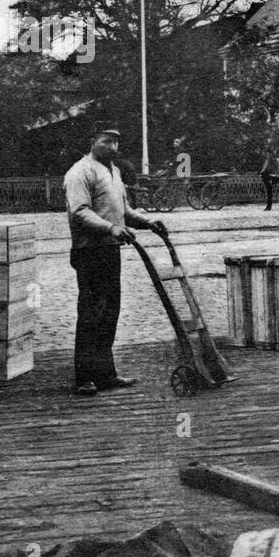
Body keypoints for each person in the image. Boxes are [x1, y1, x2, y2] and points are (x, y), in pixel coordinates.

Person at [63, 122, 166, 397]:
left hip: (110, 249)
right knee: (90, 314)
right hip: (89, 251)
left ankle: (105, 374)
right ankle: (84, 377)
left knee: (110, 313)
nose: (113, 147)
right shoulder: (80, 172)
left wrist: (148, 222)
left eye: (116, 142)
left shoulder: (114, 171)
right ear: (92, 141)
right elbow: (80, 212)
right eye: (106, 141)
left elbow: (124, 210)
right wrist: (111, 228)